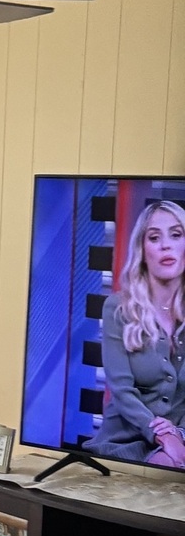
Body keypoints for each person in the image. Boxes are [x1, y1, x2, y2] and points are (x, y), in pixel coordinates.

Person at [88, 196, 185, 467]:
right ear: (142, 250)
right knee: (166, 467)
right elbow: (121, 391)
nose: (166, 245)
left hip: (180, 440)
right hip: (124, 442)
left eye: (176, 234)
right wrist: (162, 435)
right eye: (154, 238)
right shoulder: (119, 308)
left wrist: (179, 434)